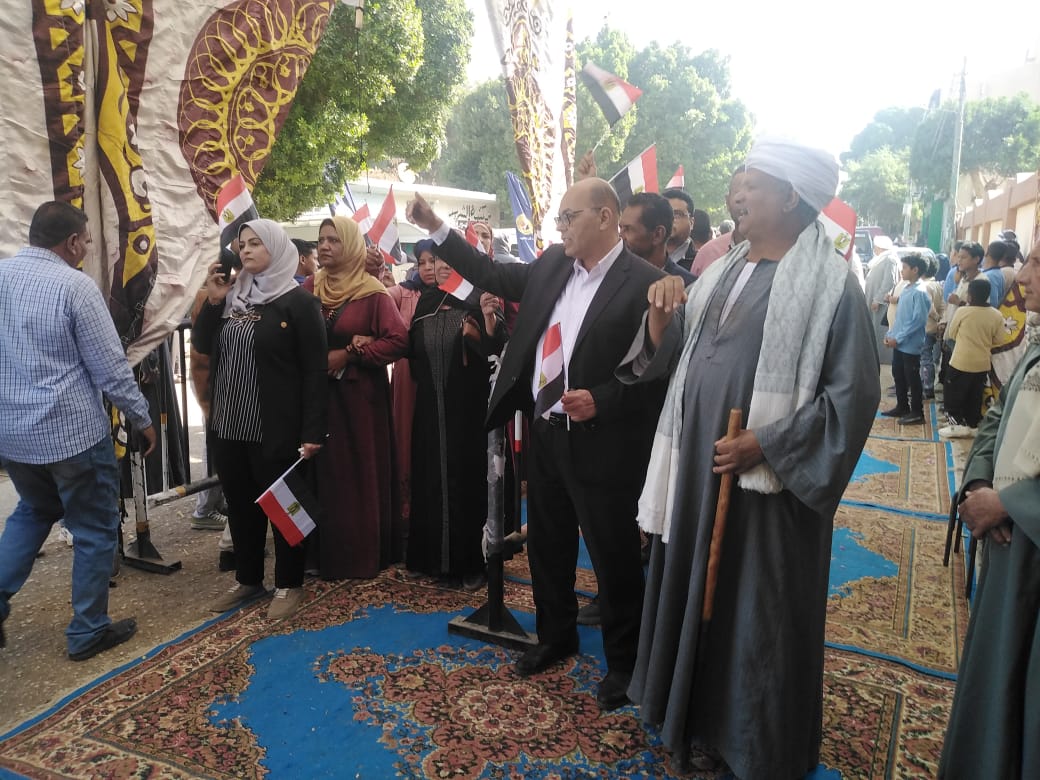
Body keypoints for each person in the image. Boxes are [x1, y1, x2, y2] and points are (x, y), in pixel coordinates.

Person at [620, 138, 879, 776]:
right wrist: (660, 317)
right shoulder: (719, 272)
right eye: (736, 185)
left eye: (751, 185)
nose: (736, 195)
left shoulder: (832, 285)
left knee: (755, 611)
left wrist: (767, 443)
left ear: (791, 196)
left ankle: (749, 744)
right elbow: (675, 357)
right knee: (694, 592)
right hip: (699, 468)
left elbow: (851, 400)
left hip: (768, 487)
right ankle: (688, 718)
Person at [406, 177, 666, 713]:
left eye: (569, 217)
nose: (560, 227)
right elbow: (490, 272)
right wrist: (437, 228)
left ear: (604, 217)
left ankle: (624, 662)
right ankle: (555, 635)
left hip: (603, 441)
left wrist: (603, 400)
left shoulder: (646, 282)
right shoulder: (552, 264)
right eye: (559, 219)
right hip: (547, 430)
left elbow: (655, 370)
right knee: (548, 542)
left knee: (612, 554)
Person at [0, 201, 157, 659]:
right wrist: (142, 418)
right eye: (86, 241)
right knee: (94, 528)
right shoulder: (75, 287)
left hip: (14, 434)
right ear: (71, 242)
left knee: (34, 510)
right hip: (71, 435)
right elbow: (110, 368)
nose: (87, 249)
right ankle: (88, 630)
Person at [938, 242, 1040, 779]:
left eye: (1037, 263)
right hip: (1009, 542)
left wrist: (1010, 504)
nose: (1021, 277)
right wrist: (979, 483)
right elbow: (997, 417)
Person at [194, 219, 328, 620]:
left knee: (285, 505)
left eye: (256, 243)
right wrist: (214, 301)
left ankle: (289, 584)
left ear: (277, 247)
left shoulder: (299, 303)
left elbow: (315, 371)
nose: (246, 250)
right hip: (230, 424)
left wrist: (312, 430)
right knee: (240, 506)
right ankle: (248, 580)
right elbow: (201, 345)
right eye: (242, 244)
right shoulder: (232, 298)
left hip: (275, 426)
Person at [307, 216, 408, 580]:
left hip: (359, 401)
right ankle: (319, 554)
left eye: (334, 240)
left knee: (356, 472)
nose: (325, 246)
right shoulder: (310, 287)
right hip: (319, 398)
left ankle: (359, 555)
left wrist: (353, 354)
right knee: (322, 473)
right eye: (321, 239)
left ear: (350, 245)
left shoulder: (371, 292)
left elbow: (398, 340)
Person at [406, 254, 506, 589]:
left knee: (467, 480)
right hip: (429, 412)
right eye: (433, 260)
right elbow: (412, 358)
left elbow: (498, 353)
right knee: (430, 478)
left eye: (448, 258)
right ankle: (430, 558)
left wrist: (488, 323)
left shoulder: (480, 300)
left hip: (469, 414)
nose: (440, 265)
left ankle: (472, 562)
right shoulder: (425, 304)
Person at [388, 241, 436, 536]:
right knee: (406, 436)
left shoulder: (458, 295)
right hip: (409, 380)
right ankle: (406, 511)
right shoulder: (404, 292)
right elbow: (375, 302)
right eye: (422, 262)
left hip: (442, 381)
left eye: (433, 261)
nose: (428, 268)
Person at [939, 277, 1005, 438]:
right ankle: (973, 424)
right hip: (982, 363)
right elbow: (999, 340)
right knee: (975, 394)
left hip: (960, 361)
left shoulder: (963, 311)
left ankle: (955, 425)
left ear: (969, 295)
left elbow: (951, 333)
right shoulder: (996, 315)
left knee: (953, 394)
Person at [882, 253, 932, 424]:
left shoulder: (919, 292)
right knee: (898, 374)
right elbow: (901, 318)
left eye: (904, 267)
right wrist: (891, 335)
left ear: (915, 269)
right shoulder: (907, 289)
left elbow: (917, 321)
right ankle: (902, 406)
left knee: (912, 378)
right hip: (900, 343)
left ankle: (917, 412)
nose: (901, 271)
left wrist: (899, 338)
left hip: (910, 345)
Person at [619, 192, 696, 285]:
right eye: (620, 228)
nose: (620, 236)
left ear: (658, 235)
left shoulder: (688, 287)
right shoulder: (614, 276)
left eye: (628, 229)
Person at [689, 168, 747, 277]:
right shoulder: (708, 253)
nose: (745, 200)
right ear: (727, 201)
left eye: (753, 192)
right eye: (738, 193)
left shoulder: (781, 255)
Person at [864, 235, 899, 363]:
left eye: (876, 247)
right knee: (873, 329)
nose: (874, 249)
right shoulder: (881, 258)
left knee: (880, 330)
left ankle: (882, 358)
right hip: (873, 299)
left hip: (880, 303)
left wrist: (878, 299)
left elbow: (889, 282)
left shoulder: (890, 259)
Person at [662, 187, 698, 271]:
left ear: (691, 222)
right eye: (663, 214)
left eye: (677, 215)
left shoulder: (700, 260)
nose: (669, 219)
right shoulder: (643, 257)